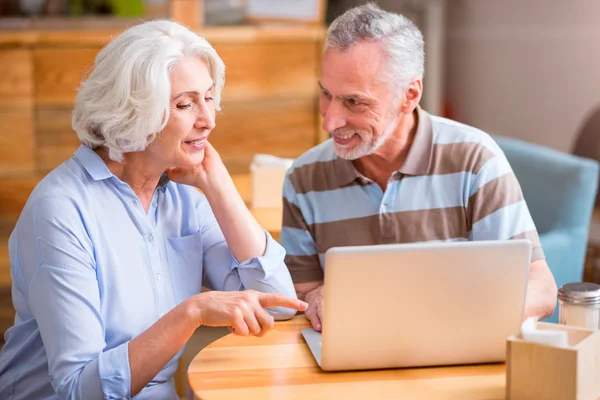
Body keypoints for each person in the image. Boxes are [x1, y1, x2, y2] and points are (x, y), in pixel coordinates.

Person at [0, 20, 307, 400]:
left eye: (209, 98)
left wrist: (219, 186)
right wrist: (191, 313)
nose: (208, 120)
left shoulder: (185, 194)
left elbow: (279, 305)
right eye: (185, 103)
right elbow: (78, 389)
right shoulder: (61, 209)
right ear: (131, 111)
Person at [280, 3, 557, 332]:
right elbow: (299, 296)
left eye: (354, 101)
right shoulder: (303, 178)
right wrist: (315, 299)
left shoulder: (475, 160)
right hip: (352, 359)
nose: (330, 120)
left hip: (457, 350)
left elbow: (540, 287)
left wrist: (462, 322)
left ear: (409, 95)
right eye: (326, 94)